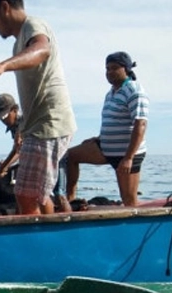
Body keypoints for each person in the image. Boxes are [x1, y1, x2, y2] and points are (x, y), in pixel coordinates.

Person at [0, 0, 76, 215]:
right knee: (35, 193)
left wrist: (2, 66)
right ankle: (51, 238)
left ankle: (41, 245)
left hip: (49, 122)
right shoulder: (18, 43)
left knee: (26, 195)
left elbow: (42, 49)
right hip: (36, 126)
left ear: (4, 7)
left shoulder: (33, 25)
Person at [65, 51, 149, 207]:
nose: (109, 72)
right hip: (105, 149)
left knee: (129, 201)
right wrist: (99, 138)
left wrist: (129, 158)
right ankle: (70, 201)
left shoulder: (134, 91)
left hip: (126, 154)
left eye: (114, 68)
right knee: (70, 156)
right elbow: (113, 121)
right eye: (107, 68)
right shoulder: (110, 93)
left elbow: (141, 124)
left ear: (126, 69)